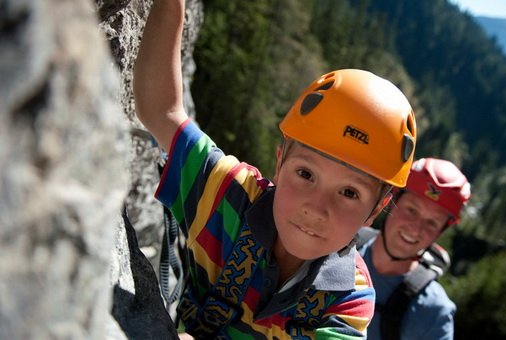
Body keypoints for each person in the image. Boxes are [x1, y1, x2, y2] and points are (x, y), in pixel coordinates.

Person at [132, 0, 418, 338]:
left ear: (376, 210)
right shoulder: (229, 196)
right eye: (306, 174)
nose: (316, 208)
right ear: (279, 164)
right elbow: (161, 111)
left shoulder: (348, 304)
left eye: (349, 192)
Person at [357, 158, 471, 340]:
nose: (416, 229)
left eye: (432, 223)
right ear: (390, 201)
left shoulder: (434, 313)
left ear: (439, 233)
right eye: (412, 210)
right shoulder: (338, 241)